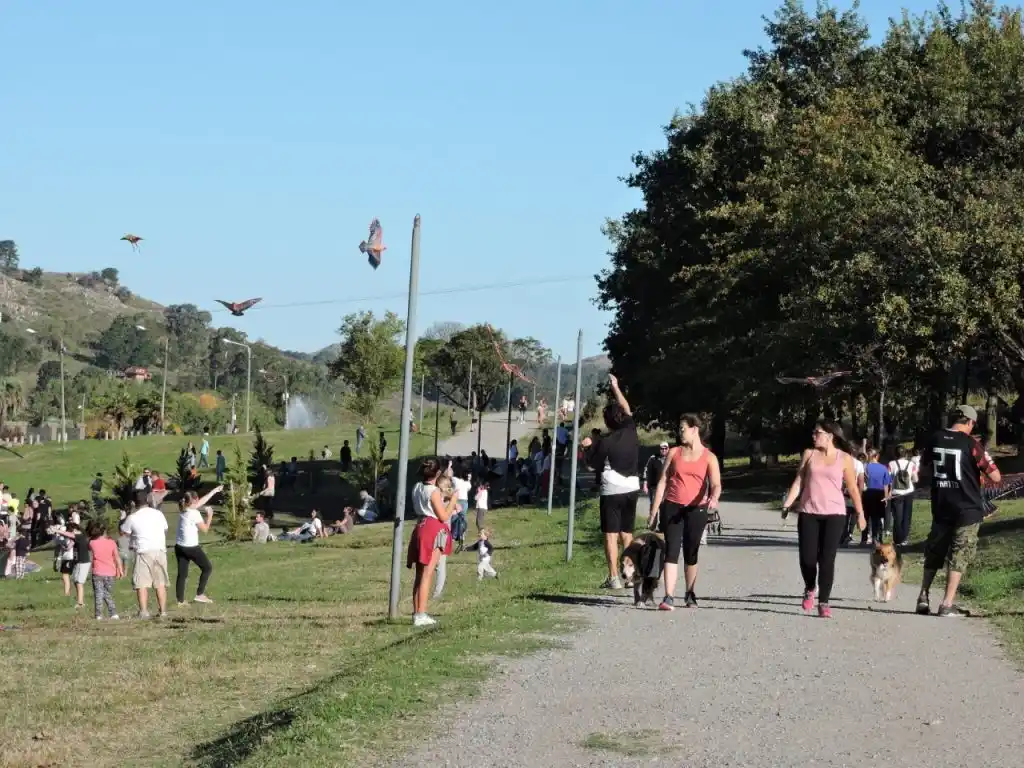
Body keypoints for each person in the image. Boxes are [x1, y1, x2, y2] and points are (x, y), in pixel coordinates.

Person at [916, 405, 1001, 617]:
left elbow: (923, 470)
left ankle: (923, 596)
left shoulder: (935, 438)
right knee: (960, 554)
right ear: (970, 422)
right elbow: (995, 476)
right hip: (967, 508)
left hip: (941, 505)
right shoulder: (972, 443)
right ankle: (946, 604)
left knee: (935, 550)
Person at [782, 422, 866, 619]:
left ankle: (824, 602)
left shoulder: (844, 458)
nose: (814, 436)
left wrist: (860, 513)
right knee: (807, 558)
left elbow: (853, 488)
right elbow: (799, 481)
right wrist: (787, 504)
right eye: (814, 432)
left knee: (827, 559)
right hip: (809, 512)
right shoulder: (809, 454)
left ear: (830, 436)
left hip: (835, 514)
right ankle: (810, 587)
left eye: (817, 433)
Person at [649, 414, 722, 610]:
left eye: (683, 429)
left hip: (697, 509)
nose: (680, 432)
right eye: (679, 429)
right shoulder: (674, 453)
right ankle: (668, 596)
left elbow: (716, 484)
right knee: (671, 551)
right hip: (672, 507)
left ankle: (690, 593)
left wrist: (714, 497)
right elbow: (662, 482)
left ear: (694, 429)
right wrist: (654, 512)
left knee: (691, 552)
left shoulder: (709, 457)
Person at [582, 374, 639, 591]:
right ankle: (630, 576)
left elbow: (590, 467)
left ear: (607, 422)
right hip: (632, 487)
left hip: (612, 490)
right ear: (623, 417)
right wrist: (616, 387)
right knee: (627, 534)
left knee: (611, 535)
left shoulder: (605, 443)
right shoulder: (631, 430)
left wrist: (586, 448)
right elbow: (626, 407)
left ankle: (614, 577)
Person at [406, 458, 457, 627]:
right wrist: (453, 500)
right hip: (432, 528)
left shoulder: (417, 487)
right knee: (428, 574)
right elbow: (443, 516)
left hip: (420, 526)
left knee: (419, 574)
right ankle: (421, 614)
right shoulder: (433, 491)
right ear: (437, 473)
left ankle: (416, 612)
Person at [121, 490, 170, 619]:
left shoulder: (132, 517)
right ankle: (163, 611)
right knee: (160, 582)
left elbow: (124, 532)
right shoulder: (158, 514)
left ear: (134, 502)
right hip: (159, 550)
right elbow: (165, 529)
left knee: (142, 583)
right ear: (148, 500)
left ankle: (143, 611)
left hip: (143, 552)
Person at [175, 487, 223, 605]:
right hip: (191, 547)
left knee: (182, 574)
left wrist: (214, 491)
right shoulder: (194, 513)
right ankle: (200, 594)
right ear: (194, 500)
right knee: (207, 568)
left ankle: (180, 601)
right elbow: (205, 529)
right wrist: (210, 515)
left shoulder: (183, 508)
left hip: (179, 546)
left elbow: (200, 502)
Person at [87, 519, 122, 620]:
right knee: (107, 593)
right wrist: (120, 569)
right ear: (104, 531)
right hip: (110, 572)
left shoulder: (92, 543)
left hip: (97, 572)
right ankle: (113, 613)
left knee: (99, 593)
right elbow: (117, 557)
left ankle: (99, 614)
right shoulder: (112, 542)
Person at [888, 446, 919, 547]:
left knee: (897, 517)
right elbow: (915, 479)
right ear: (905, 454)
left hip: (896, 493)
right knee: (907, 516)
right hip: (908, 492)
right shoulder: (911, 464)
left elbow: (888, 478)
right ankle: (904, 539)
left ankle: (897, 539)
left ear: (895, 454)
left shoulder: (891, 464)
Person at [862, 449, 891, 545]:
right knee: (876, 517)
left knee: (866, 516)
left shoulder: (865, 467)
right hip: (879, 494)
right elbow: (886, 484)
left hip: (867, 493)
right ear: (877, 456)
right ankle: (876, 538)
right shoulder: (883, 468)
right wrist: (886, 497)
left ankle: (864, 538)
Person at [643, 442, 670, 508]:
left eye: (665, 448)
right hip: (654, 487)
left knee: (665, 507)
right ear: (659, 449)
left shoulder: (671, 458)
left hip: (667, 487)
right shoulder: (653, 458)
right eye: (662, 448)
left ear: (668, 449)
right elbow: (647, 471)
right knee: (654, 506)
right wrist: (645, 484)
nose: (664, 450)